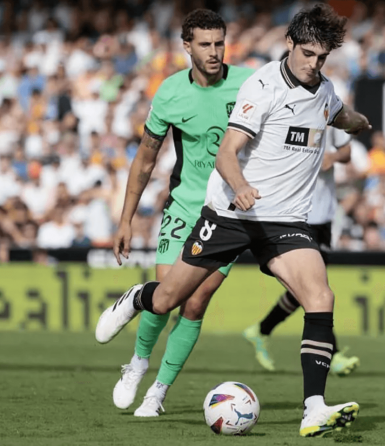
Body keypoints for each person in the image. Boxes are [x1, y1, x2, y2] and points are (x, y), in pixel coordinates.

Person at [95, 3, 371, 436]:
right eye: (307, 55)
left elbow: (338, 113)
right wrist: (240, 186)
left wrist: (356, 122)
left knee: (320, 297)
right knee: (168, 300)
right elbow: (226, 152)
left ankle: (314, 407)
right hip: (230, 213)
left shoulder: (325, 90)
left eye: (322, 58)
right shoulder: (261, 86)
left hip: (284, 222)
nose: (314, 65)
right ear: (289, 45)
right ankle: (135, 299)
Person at [108, 9, 253, 418]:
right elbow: (145, 160)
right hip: (184, 206)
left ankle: (158, 391)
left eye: (219, 43)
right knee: (166, 294)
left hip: (227, 213)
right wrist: (126, 219)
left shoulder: (248, 84)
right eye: (205, 44)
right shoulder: (170, 93)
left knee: (195, 302)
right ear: (186, 46)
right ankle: (137, 364)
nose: (214, 51)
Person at [242, 123, 360, 376]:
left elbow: (346, 152)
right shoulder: (284, 112)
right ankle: (334, 354)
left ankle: (262, 330)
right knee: (314, 288)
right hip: (293, 214)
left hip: (323, 216)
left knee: (310, 289)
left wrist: (333, 156)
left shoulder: (331, 110)